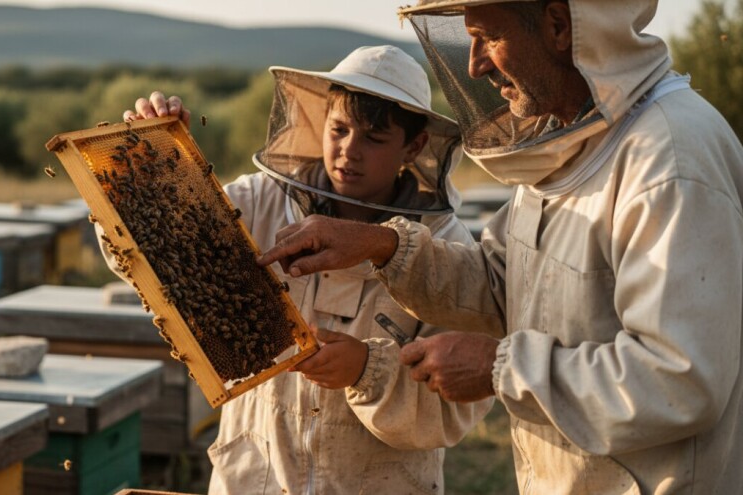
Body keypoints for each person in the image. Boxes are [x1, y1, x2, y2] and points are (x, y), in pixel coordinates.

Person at [257, 1, 743, 493]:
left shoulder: (669, 156)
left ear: (558, 26)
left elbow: (679, 379)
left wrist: (499, 369)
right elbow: (501, 285)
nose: (474, 64)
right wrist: (382, 245)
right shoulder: (572, 145)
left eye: (488, 37)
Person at [114, 45, 493, 494]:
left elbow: (455, 406)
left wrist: (367, 369)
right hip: (255, 478)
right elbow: (153, 259)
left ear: (414, 145)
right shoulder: (259, 203)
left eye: (373, 138)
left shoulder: (446, 250)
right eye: (339, 129)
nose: (348, 151)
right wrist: (154, 168)